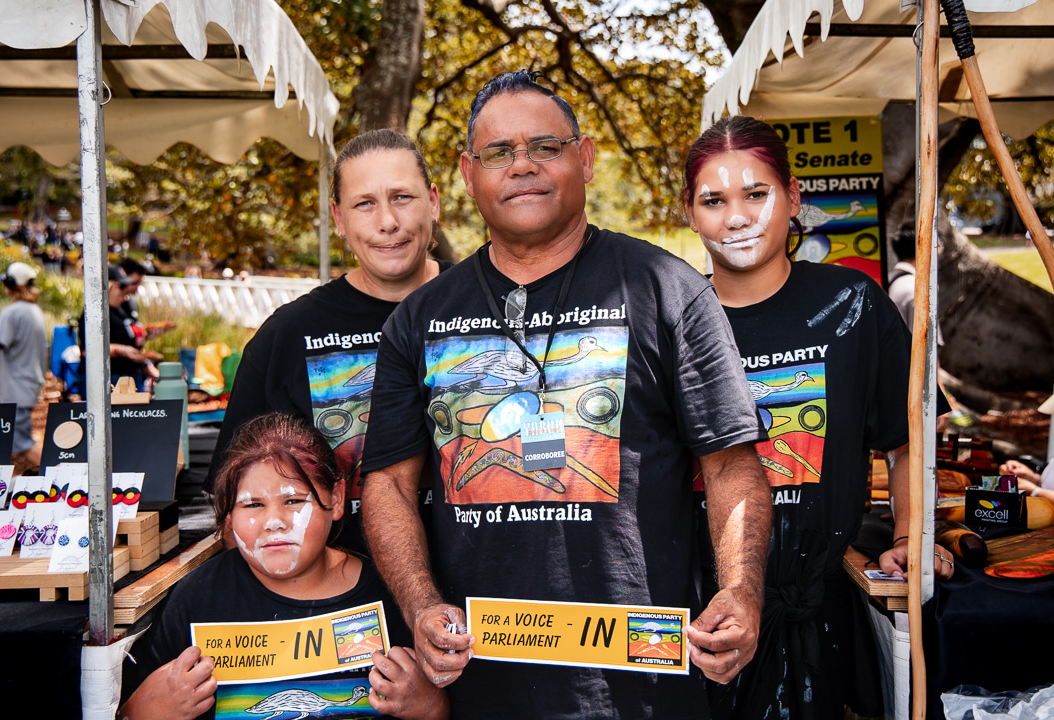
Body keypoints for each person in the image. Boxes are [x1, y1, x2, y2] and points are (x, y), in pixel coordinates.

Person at [359, 70, 771, 720]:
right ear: (468, 175)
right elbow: (386, 483)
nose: (521, 166)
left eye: (545, 147)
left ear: (584, 158)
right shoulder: (419, 318)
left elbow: (730, 463)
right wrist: (419, 602)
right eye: (499, 152)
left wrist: (741, 590)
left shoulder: (670, 291)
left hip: (642, 686)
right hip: (478, 684)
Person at [682, 115, 954, 720]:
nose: (737, 216)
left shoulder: (851, 306)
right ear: (689, 212)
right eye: (713, 200)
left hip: (820, 612)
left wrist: (910, 537)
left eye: (757, 193)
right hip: (703, 614)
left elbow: (904, 441)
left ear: (794, 196)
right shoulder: (672, 322)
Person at [207, 129, 449, 556]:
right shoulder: (287, 335)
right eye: (365, 204)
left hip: (483, 598)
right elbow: (233, 500)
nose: (387, 222)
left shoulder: (489, 309)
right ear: (338, 217)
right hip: (342, 607)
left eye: (402, 197)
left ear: (433, 201)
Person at [119, 413, 449, 720]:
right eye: (253, 504)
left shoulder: (390, 595)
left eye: (293, 501)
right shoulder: (197, 599)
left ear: (335, 498)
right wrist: (145, 709)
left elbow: (447, 703)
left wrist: (432, 706)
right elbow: (129, 708)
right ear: (228, 512)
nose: (274, 522)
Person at [0, 263, 48, 468]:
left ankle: (62, 480)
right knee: (1, 438)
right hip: (29, 386)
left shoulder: (12, 313)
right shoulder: (34, 311)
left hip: (17, 388)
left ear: (12, 283)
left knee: (21, 443)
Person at [77, 265, 159, 393]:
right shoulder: (94, 315)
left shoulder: (124, 309)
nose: (126, 291)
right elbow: (88, 350)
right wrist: (121, 350)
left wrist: (146, 338)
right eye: (121, 287)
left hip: (131, 376)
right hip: (107, 379)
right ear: (107, 288)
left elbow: (128, 338)